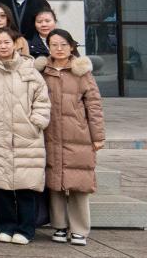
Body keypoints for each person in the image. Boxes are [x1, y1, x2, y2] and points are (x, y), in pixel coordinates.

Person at [0, 28, 51, 245]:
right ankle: (5, 227)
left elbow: (42, 100)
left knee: (26, 186)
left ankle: (26, 229)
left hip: (26, 136)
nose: (3, 46)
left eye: (6, 42)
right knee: (1, 187)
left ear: (15, 44)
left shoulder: (29, 70)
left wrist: (36, 122)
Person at [35, 29, 106, 247]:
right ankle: (59, 226)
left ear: (72, 46)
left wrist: (98, 136)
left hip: (78, 134)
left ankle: (79, 229)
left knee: (79, 184)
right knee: (54, 182)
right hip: (50, 134)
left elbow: (94, 106)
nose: (59, 49)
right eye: (54, 45)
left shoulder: (81, 72)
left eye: (63, 44)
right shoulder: (42, 71)